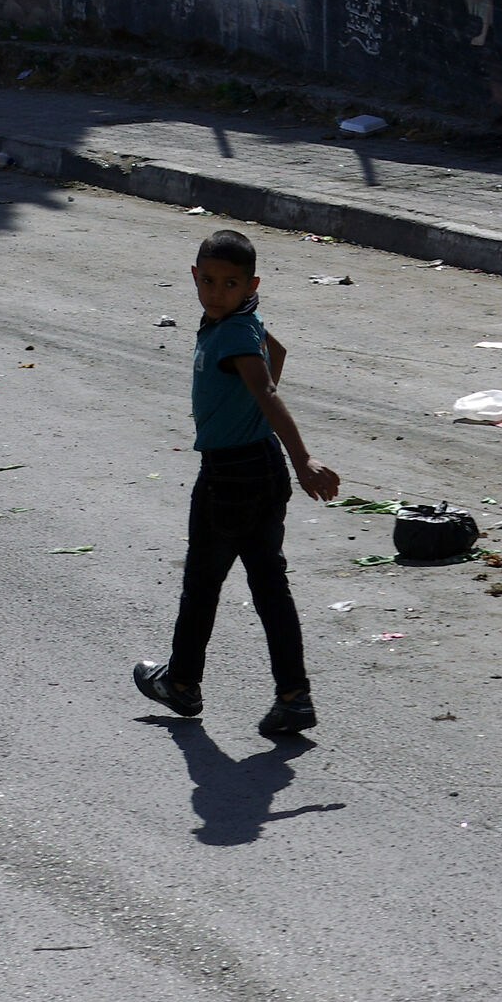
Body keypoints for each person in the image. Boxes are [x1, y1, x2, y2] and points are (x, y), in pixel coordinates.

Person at [134, 229, 340, 738]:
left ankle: (181, 683)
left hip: (230, 476)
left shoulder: (230, 333)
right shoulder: (238, 323)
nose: (217, 292)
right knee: (269, 583)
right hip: (261, 471)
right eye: (208, 281)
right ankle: (294, 696)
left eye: (230, 283)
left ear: (252, 283)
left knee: (202, 584)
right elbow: (280, 352)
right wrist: (251, 415)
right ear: (194, 277)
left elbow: (267, 386)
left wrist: (304, 458)